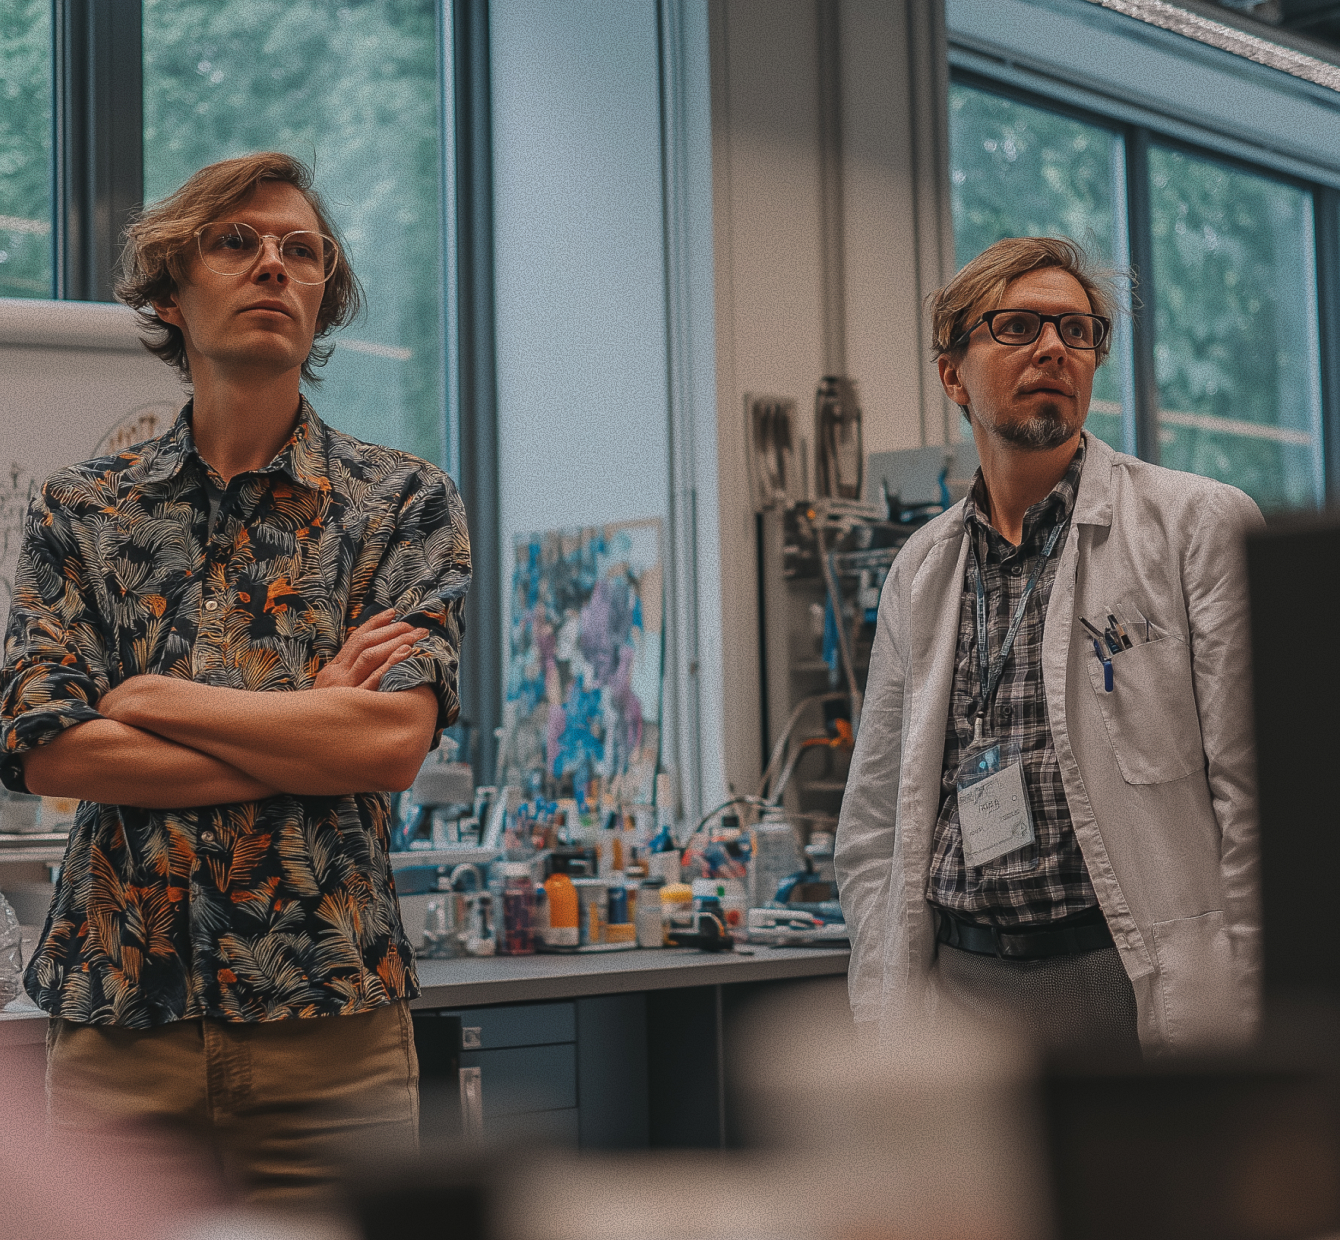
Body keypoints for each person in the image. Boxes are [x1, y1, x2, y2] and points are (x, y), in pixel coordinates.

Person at [0, 152, 470, 1202]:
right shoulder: (84, 508)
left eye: (301, 251)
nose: (274, 265)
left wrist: (147, 698)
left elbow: (389, 744)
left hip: (328, 1015)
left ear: (322, 297)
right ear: (171, 292)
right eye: (236, 242)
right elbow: (52, 751)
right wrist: (311, 719)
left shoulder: (400, 503)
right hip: (120, 1015)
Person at [835, 236, 1261, 1056]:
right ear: (952, 373)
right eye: (1019, 326)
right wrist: (881, 1011)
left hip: (1125, 975)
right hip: (959, 989)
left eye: (1078, 331)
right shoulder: (922, 570)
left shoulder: (1195, 524)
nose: (1054, 349)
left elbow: (1254, 794)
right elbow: (876, 824)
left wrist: (1250, 1004)